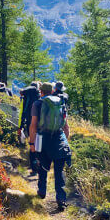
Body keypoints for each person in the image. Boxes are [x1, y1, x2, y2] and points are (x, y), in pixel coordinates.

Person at [29, 82, 72, 211]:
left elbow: (33, 125)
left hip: (43, 138)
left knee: (42, 166)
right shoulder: (60, 102)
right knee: (59, 171)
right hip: (59, 138)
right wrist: (65, 140)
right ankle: (61, 198)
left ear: (41, 91)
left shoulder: (37, 104)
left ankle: (42, 190)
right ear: (52, 91)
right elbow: (66, 125)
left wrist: (32, 143)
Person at [18, 81, 41, 175]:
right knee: (38, 145)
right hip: (40, 124)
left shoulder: (25, 98)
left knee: (32, 144)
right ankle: (39, 166)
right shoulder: (39, 96)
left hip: (29, 124)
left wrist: (20, 126)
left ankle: (34, 169)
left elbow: (21, 113)